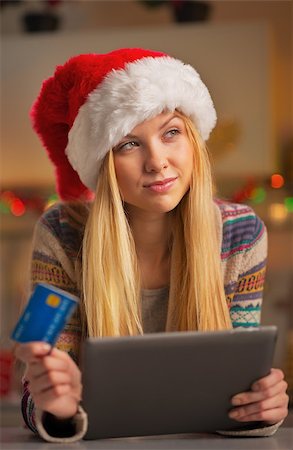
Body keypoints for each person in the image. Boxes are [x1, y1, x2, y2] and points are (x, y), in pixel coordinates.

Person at [15, 48, 288, 442]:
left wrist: (261, 408)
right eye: (129, 144)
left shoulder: (241, 234)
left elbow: (240, 389)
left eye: (171, 132)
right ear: (104, 162)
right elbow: (37, 390)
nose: (157, 162)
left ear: (193, 140)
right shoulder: (62, 233)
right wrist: (55, 407)